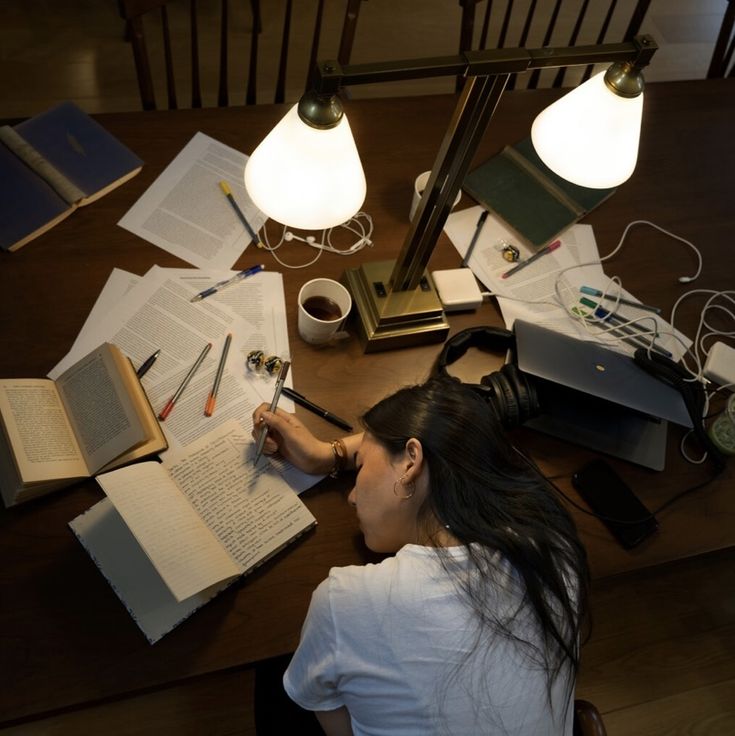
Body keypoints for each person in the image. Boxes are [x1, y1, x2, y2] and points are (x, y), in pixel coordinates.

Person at [252, 377, 589, 736]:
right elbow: (459, 431)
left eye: (361, 464)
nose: (351, 496)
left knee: (272, 671)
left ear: (412, 461)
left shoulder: (345, 602)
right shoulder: (556, 554)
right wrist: (329, 454)